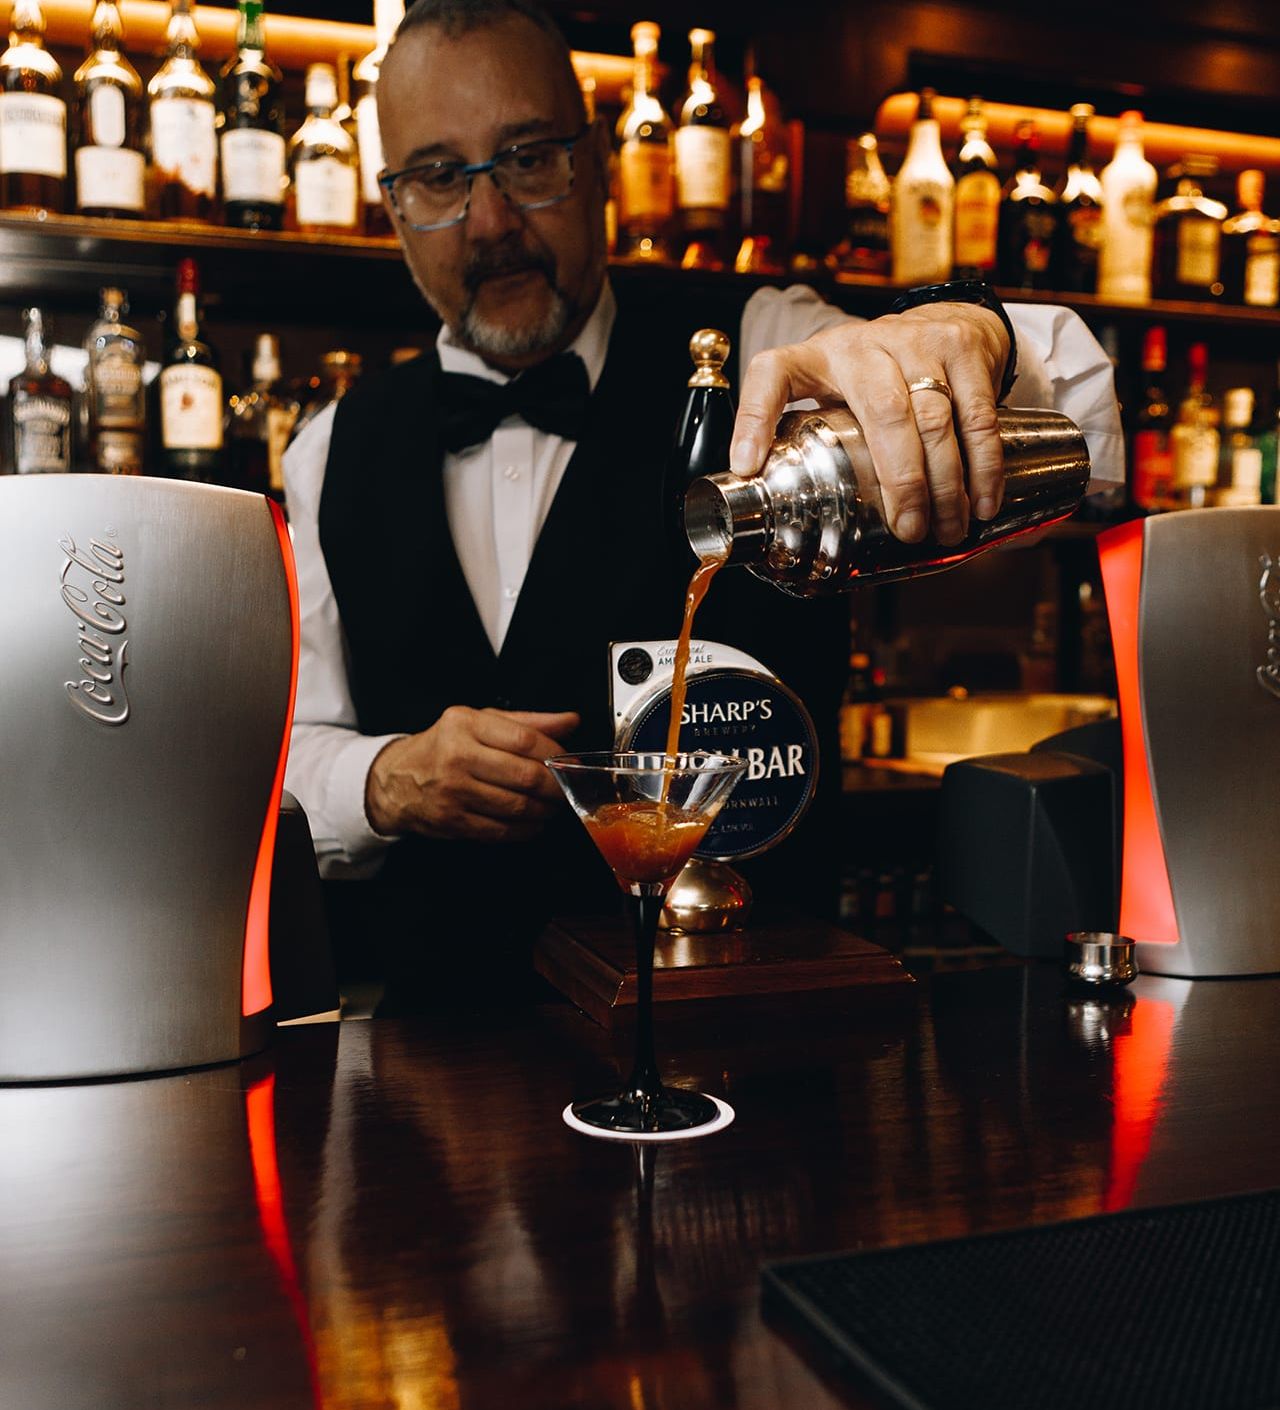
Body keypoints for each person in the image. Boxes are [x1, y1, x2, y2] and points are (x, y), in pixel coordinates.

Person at [283, 0, 1123, 1006]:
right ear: (390, 204)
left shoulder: (764, 343)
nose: (492, 221)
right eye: (437, 176)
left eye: (528, 156)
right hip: (437, 1073)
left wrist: (963, 337)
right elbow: (285, 752)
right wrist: (382, 779)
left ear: (594, 161)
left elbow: (1088, 438)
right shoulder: (329, 448)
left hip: (752, 1043)